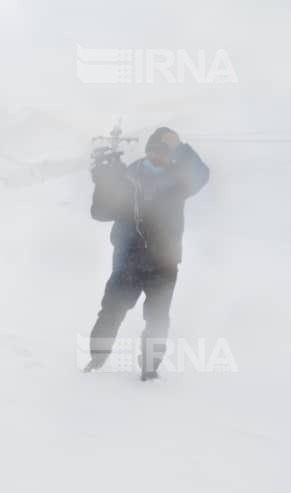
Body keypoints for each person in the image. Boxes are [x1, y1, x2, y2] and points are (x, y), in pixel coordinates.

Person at [83, 126, 210, 380]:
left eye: (164, 153)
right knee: (111, 310)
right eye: (153, 151)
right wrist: (103, 182)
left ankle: (150, 370)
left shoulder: (177, 183)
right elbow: (100, 212)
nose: (157, 158)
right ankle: (96, 360)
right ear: (146, 152)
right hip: (128, 261)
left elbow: (201, 175)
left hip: (164, 263)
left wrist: (181, 146)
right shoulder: (127, 177)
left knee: (157, 317)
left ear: (171, 156)